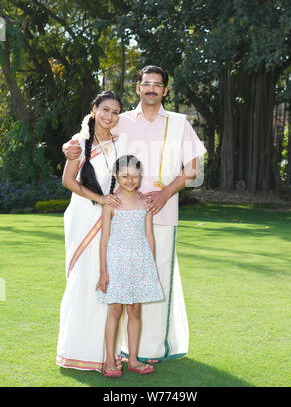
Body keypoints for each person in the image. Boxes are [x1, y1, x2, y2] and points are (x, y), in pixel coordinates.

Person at [63, 65, 207, 363]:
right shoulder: (121, 120)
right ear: (138, 88)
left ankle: (148, 352)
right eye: (146, 83)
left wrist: (165, 193)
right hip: (118, 218)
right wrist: (69, 145)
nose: (152, 88)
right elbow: (91, 134)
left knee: (152, 284)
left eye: (158, 84)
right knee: (114, 283)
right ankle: (117, 351)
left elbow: (193, 168)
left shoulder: (180, 122)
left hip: (161, 214)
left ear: (165, 90)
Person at [56, 91, 124, 372]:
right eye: (105, 110)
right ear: (94, 109)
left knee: (103, 277)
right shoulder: (78, 142)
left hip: (110, 218)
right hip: (84, 217)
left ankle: (105, 352)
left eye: (115, 112)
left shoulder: (119, 142)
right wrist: (98, 199)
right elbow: (67, 180)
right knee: (83, 277)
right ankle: (76, 351)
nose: (110, 116)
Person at [95, 155, 164, 377]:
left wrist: (150, 269)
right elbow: (104, 239)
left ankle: (133, 359)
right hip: (116, 264)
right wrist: (103, 271)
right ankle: (109, 361)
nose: (130, 180)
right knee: (114, 311)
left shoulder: (144, 202)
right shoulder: (111, 203)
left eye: (134, 175)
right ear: (116, 176)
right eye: (124, 175)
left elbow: (149, 236)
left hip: (139, 263)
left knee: (135, 311)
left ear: (140, 176)